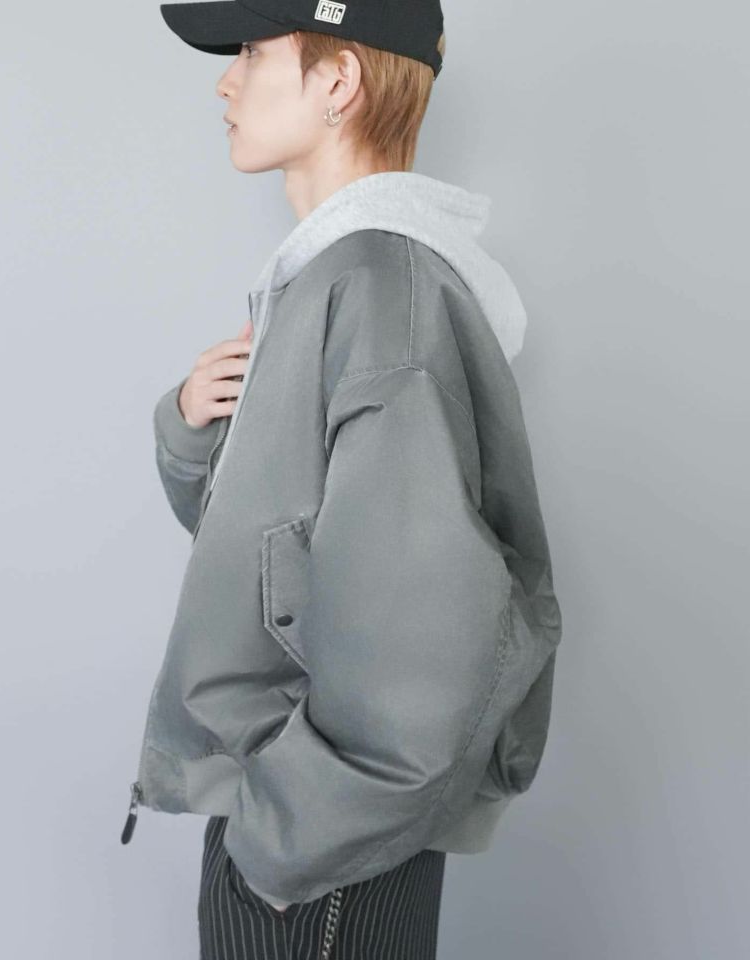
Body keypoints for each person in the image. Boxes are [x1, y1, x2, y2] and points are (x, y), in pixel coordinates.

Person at [122, 1, 564, 957]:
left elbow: (424, 640)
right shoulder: (331, 278)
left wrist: (287, 843)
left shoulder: (377, 288)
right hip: (294, 813)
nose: (225, 81)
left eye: (252, 50)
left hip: (318, 843)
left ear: (338, 81)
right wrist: (192, 430)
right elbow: (278, 562)